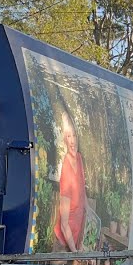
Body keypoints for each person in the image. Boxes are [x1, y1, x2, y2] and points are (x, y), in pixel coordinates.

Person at [52, 108, 88, 252]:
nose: (72, 141)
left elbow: (82, 191)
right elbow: (64, 224)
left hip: (76, 240)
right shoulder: (66, 168)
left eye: (74, 136)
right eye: (68, 136)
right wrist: (74, 253)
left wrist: (89, 210)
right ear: (64, 139)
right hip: (64, 244)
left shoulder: (79, 158)